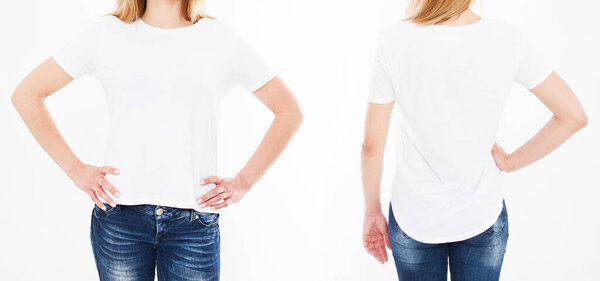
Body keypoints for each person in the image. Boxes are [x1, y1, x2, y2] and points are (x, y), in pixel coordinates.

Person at [11, 0, 302, 280]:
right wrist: (73, 168)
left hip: (193, 223)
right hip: (120, 220)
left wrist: (243, 182)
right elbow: (27, 94)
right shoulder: (107, 33)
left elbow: (289, 111)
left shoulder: (219, 39)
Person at [360, 0, 587, 280]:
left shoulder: (393, 39)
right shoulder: (508, 39)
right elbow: (573, 116)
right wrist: (509, 162)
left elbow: (371, 144)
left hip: (414, 216)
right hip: (481, 213)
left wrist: (372, 211)